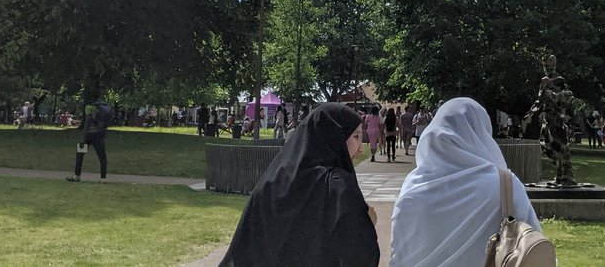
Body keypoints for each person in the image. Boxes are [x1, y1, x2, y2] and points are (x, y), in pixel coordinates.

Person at [220, 103, 378, 266]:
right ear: (334, 135)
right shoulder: (336, 185)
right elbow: (358, 254)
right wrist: (367, 223)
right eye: (356, 137)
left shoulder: (272, 181)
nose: (360, 148)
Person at [390, 98, 540, 267]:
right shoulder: (504, 185)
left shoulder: (413, 187)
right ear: (481, 132)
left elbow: (399, 253)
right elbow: (533, 240)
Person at [67, 101, 110, 182]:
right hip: (100, 133)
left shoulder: (89, 107)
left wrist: (83, 137)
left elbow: (87, 122)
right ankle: (103, 178)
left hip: (90, 134)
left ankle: (77, 175)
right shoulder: (102, 106)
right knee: (102, 156)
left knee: (80, 154)